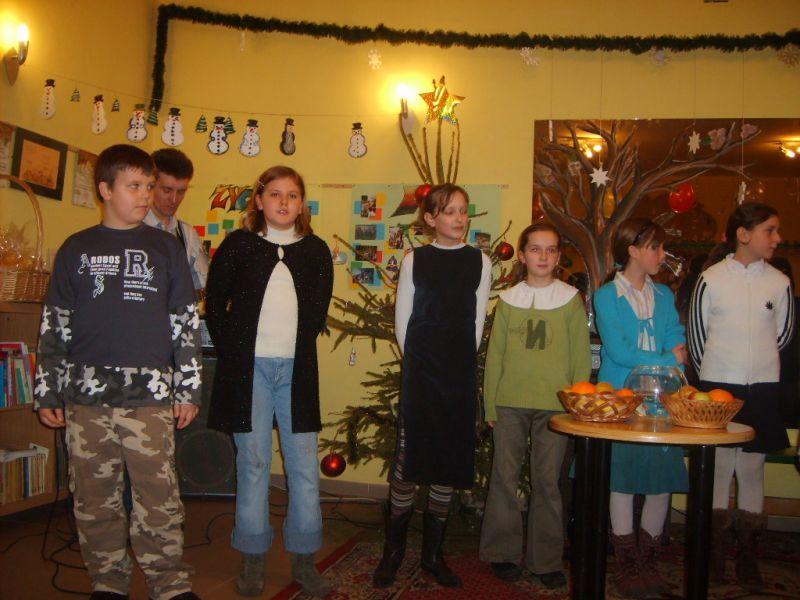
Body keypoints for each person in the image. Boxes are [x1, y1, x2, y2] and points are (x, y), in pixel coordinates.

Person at [34, 144, 202, 600]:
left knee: (158, 495)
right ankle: (108, 582)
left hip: (149, 397)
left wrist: (188, 388)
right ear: (105, 190)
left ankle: (169, 584)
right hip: (85, 398)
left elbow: (184, 322)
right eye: (135, 186)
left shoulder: (166, 248)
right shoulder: (76, 248)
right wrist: (48, 391)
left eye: (149, 185)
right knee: (94, 497)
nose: (146, 194)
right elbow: (56, 324)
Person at [204, 165, 333, 598]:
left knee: (303, 466)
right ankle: (253, 556)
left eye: (292, 195)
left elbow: (316, 311)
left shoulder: (315, 250)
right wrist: (234, 353)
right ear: (258, 201)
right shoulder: (238, 245)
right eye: (275, 194)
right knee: (254, 463)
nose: (283, 202)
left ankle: (304, 557)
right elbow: (215, 304)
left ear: (302, 204)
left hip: (297, 371)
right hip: (249, 372)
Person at [372, 183, 492, 589]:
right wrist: (420, 364)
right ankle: (393, 551)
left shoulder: (480, 261)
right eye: (450, 211)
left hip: (458, 373)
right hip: (421, 372)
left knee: (447, 461)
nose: (459, 218)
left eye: (463, 210)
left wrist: (459, 364)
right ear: (430, 218)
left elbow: (477, 321)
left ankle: (432, 555)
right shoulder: (415, 260)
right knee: (408, 463)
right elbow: (403, 322)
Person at [688, 202, 794, 588]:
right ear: (743, 234)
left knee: (751, 468)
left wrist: (758, 369)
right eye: (770, 230)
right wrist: (716, 379)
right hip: (719, 387)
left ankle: (748, 553)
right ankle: (713, 551)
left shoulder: (779, 282)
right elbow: (697, 338)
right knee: (718, 467)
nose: (777, 238)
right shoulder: (711, 279)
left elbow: (783, 334)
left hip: (762, 386)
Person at [480, 223, 591, 588]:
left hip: (556, 407)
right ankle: (502, 552)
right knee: (504, 477)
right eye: (535, 249)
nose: (543, 256)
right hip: (509, 403)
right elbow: (495, 357)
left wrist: (577, 406)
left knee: (547, 482)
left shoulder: (570, 300)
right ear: (523, 255)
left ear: (558, 257)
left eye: (550, 250)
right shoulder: (509, 300)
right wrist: (491, 406)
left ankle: (546, 560)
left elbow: (580, 360)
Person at [594, 218, 688, 599]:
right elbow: (619, 352)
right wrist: (667, 359)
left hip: (661, 402)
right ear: (632, 250)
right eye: (655, 247)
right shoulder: (607, 296)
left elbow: (677, 340)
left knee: (659, 480)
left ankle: (648, 560)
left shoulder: (663, 295)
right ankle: (626, 562)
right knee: (622, 478)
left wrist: (670, 356)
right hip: (620, 401)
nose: (662, 255)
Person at [144, 148, 208, 294]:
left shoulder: (188, 235)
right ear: (150, 186)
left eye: (181, 192)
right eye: (167, 190)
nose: (174, 199)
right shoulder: (130, 228)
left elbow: (199, 288)